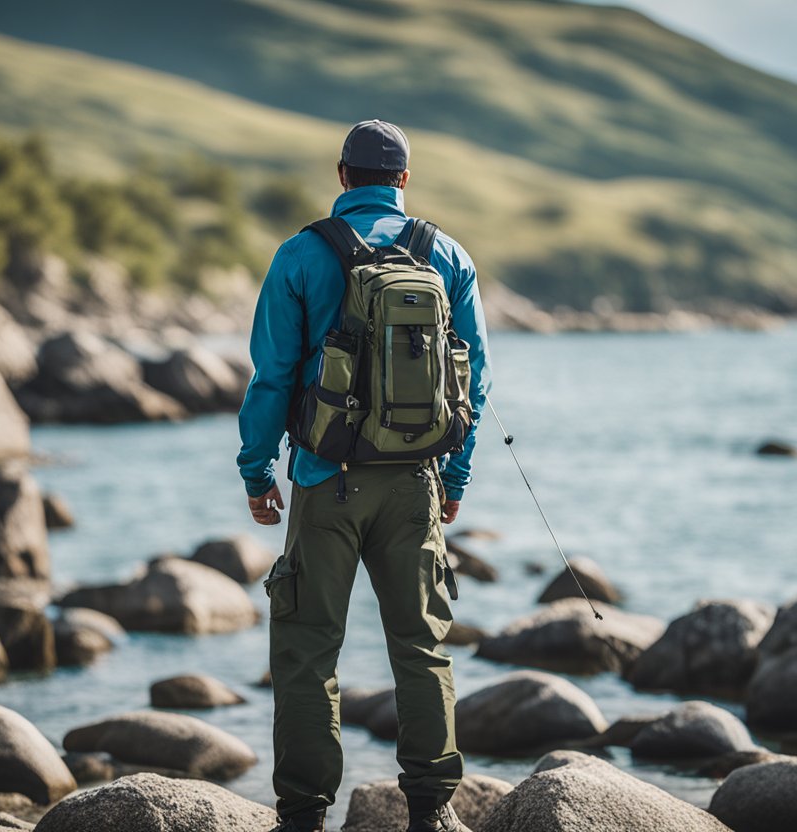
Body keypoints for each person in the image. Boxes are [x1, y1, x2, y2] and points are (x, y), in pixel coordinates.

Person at [237, 119, 491, 832]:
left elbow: (271, 377)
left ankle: (303, 816)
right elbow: (475, 383)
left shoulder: (300, 254)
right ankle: (431, 811)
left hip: (324, 480)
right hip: (415, 482)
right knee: (422, 646)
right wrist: (455, 481)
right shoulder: (446, 254)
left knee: (307, 649)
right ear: (403, 180)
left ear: (343, 175)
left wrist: (257, 472)